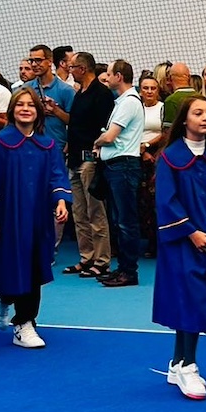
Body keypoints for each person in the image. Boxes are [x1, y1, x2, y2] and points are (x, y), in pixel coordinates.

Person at [153, 94, 206, 400]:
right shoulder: (170, 157)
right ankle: (188, 365)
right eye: (198, 113)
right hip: (181, 244)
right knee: (187, 301)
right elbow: (166, 201)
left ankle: (178, 362)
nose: (205, 118)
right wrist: (191, 232)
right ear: (185, 119)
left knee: (199, 301)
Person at [0, 86, 71, 348]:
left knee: (34, 269)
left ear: (38, 111)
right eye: (21, 104)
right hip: (8, 218)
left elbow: (57, 175)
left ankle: (25, 322)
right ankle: (4, 296)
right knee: (13, 267)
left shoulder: (48, 146)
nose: (26, 109)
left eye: (31, 105)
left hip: (38, 219)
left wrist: (61, 201)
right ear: (12, 109)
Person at [63, 51, 115, 278]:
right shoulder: (80, 94)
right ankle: (87, 257)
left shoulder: (101, 94)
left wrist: (95, 153)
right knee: (79, 212)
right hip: (74, 159)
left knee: (95, 211)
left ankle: (102, 261)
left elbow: (104, 128)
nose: (70, 71)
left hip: (89, 160)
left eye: (72, 67)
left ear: (82, 69)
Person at [94, 59, 145, 287]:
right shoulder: (123, 101)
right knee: (119, 220)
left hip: (123, 166)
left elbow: (110, 136)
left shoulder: (129, 102)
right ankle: (123, 268)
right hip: (118, 166)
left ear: (119, 76)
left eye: (109, 73)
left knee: (126, 222)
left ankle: (129, 271)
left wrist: (97, 142)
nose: (106, 77)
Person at [137, 70, 166, 257]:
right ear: (140, 90)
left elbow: (165, 132)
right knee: (141, 203)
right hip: (136, 156)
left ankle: (156, 244)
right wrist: (141, 151)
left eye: (153, 88)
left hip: (157, 157)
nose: (149, 91)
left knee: (155, 201)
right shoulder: (135, 107)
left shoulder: (163, 108)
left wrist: (147, 147)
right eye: (145, 88)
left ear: (158, 91)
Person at [25, 44, 74, 154]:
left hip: (56, 148)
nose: (34, 64)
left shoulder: (66, 90)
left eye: (38, 60)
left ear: (50, 61)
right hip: (30, 147)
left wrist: (55, 110)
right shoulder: (25, 89)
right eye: (31, 61)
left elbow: (74, 122)